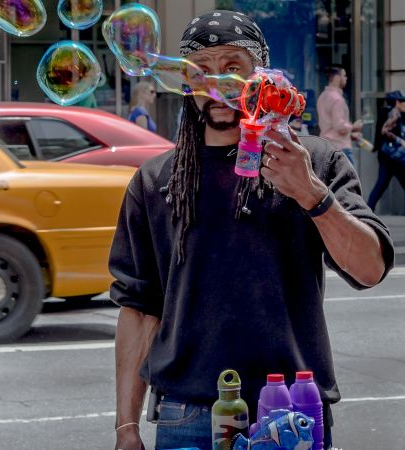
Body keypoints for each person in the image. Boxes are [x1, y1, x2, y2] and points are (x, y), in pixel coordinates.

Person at [109, 10, 394, 450]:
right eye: (200, 70)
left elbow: (370, 269)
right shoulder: (154, 181)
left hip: (294, 412)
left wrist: (312, 194)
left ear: (260, 73)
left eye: (232, 67)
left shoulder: (314, 161)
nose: (217, 84)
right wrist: (126, 427)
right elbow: (141, 309)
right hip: (186, 415)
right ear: (185, 83)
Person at [316, 64, 363, 166]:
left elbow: (330, 125)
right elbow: (339, 126)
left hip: (326, 146)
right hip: (341, 147)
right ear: (337, 78)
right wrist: (353, 127)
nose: (346, 78)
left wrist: (349, 133)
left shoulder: (322, 96)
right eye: (344, 75)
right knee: (350, 180)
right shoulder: (337, 99)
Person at [367, 90, 405, 211]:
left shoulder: (385, 112)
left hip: (386, 156)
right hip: (395, 157)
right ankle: (368, 210)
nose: (404, 104)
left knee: (381, 185)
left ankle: (368, 210)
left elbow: (379, 133)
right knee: (381, 185)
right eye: (402, 101)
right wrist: (400, 141)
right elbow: (385, 131)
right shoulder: (394, 113)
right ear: (396, 102)